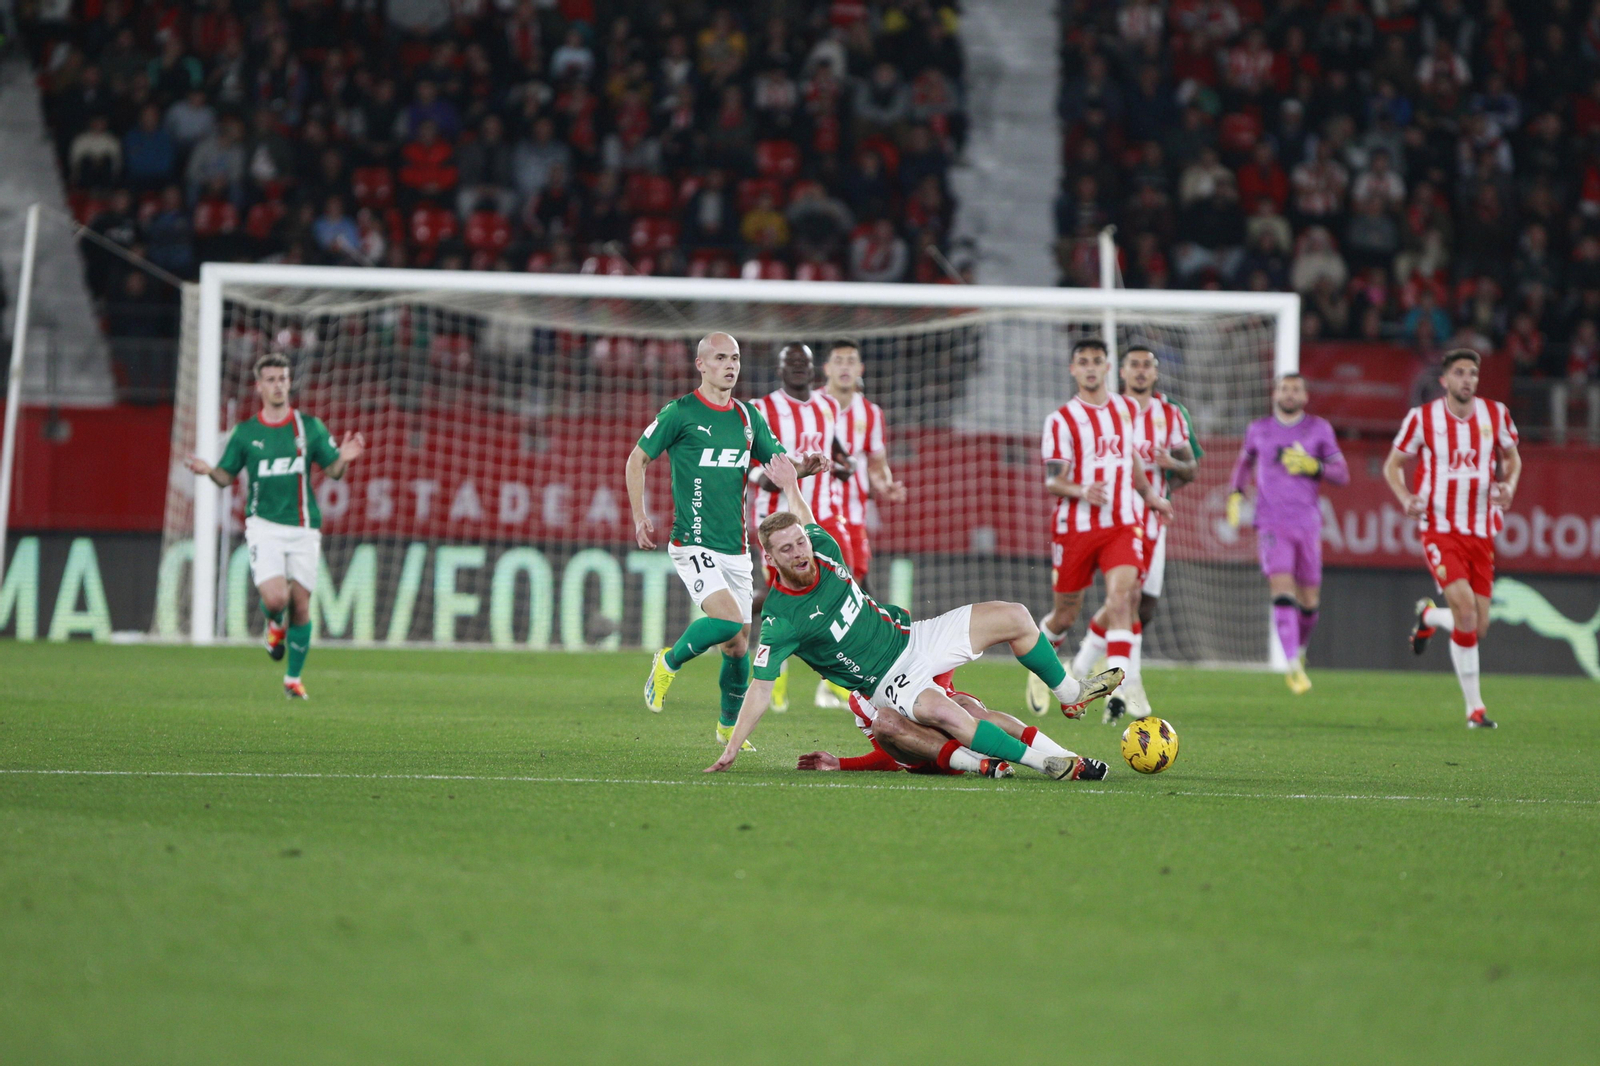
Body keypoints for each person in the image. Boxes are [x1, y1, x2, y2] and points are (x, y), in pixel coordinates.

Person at [707, 455, 1119, 779]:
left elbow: (805, 519)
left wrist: (792, 484)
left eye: (799, 542)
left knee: (1015, 616)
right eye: (788, 549)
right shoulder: (782, 618)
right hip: (884, 680)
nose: (799, 552)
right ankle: (1044, 763)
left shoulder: (820, 545)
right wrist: (731, 747)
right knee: (949, 714)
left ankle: (1069, 693)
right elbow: (761, 690)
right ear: (770, 558)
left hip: (914, 636)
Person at [625, 332, 827, 749]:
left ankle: (726, 727)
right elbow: (637, 458)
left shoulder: (748, 417)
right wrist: (640, 515)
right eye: (720, 357)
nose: (730, 365)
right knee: (729, 621)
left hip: (736, 550)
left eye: (735, 357)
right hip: (692, 543)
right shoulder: (680, 413)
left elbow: (778, 464)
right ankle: (667, 662)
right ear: (701, 364)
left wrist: (805, 467)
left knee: (737, 650)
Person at [184, 353, 365, 699]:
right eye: (271, 379)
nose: (278, 385)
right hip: (264, 525)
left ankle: (292, 680)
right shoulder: (246, 433)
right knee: (276, 597)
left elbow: (333, 472)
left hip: (304, 526)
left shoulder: (308, 427)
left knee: (300, 605)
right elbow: (225, 478)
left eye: (283, 378)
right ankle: (272, 624)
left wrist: (343, 457)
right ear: (259, 386)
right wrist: (208, 470)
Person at [1052, 343, 1199, 722]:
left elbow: (1190, 466)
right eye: (1134, 365)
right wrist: (1083, 490)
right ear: (1123, 371)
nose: (1140, 372)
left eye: (1146, 365)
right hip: (1083, 524)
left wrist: (1156, 489)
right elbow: (1055, 477)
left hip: (1135, 517)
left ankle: (1120, 689)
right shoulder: (1066, 419)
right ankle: (1075, 667)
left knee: (1133, 601)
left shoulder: (1165, 413)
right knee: (1070, 613)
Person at [1386, 350, 1521, 729]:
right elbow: (1393, 465)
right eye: (1459, 373)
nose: (1467, 379)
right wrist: (1406, 499)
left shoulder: (1496, 415)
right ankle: (1475, 710)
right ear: (1445, 380)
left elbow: (1512, 459)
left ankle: (1428, 616)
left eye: (1473, 373)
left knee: (1477, 628)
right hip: (1440, 527)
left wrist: (1508, 486)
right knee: (1464, 613)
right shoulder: (1423, 418)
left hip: (1481, 530)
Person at [1227, 373, 1349, 694]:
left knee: (1309, 601)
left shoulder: (1318, 429)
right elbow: (1243, 464)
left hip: (1307, 524)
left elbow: (1342, 473)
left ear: (1305, 396)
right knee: (1282, 590)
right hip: (1271, 523)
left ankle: (1300, 651)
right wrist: (1235, 493)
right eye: (1284, 388)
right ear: (1275, 393)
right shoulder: (1259, 429)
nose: (1289, 394)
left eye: (1295, 389)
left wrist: (1314, 466)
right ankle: (1292, 663)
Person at [749, 343, 848, 712]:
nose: (797, 368)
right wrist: (798, 472)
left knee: (833, 598)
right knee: (780, 599)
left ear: (812, 369)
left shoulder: (828, 406)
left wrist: (844, 462)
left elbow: (836, 448)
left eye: (802, 363)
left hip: (820, 517)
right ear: (778, 369)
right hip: (777, 521)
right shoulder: (762, 410)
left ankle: (836, 682)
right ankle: (773, 675)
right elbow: (758, 473)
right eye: (790, 363)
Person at [810, 337, 907, 710]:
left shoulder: (871, 413)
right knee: (832, 595)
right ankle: (820, 676)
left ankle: (838, 680)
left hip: (854, 515)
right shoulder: (814, 406)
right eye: (839, 360)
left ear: (861, 369)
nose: (846, 366)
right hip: (818, 512)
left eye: (852, 360)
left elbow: (877, 463)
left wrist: (886, 486)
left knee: (855, 594)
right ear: (828, 368)